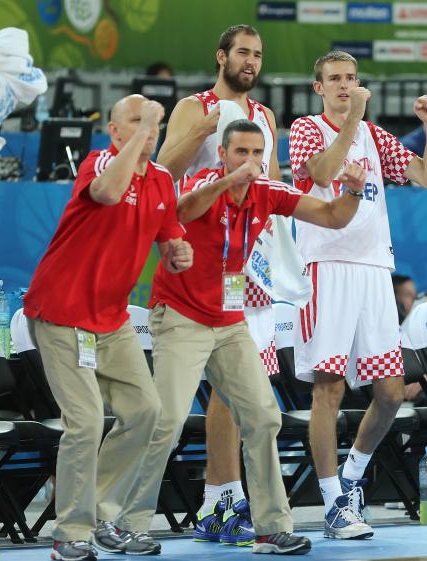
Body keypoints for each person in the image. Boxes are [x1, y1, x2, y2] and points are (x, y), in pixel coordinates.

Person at [118, 119, 368, 555]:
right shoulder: (204, 181)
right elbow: (182, 211)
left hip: (230, 321)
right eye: (241, 152)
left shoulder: (267, 191)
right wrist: (228, 182)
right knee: (167, 421)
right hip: (181, 316)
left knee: (264, 418)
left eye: (257, 153)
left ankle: (271, 529)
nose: (251, 161)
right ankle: (129, 524)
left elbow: (332, 217)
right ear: (223, 154)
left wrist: (353, 191)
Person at [23, 95, 193, 561]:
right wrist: (141, 135)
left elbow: (171, 242)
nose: (150, 128)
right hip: (61, 312)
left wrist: (179, 253)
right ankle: (70, 534)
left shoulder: (162, 181)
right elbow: (108, 194)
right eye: (137, 121)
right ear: (114, 132)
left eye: (153, 122)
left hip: (112, 319)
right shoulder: (100, 162)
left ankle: (101, 515)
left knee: (146, 411)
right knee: (85, 422)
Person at [289, 50, 427, 539]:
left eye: (351, 78)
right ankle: (331, 503)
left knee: (391, 392)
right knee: (329, 388)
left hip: (375, 268)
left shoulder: (375, 136)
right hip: (326, 266)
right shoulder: (306, 128)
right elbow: (320, 174)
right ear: (318, 87)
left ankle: (351, 478)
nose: (344, 85)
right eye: (335, 78)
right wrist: (353, 117)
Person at [155, 24, 282, 542]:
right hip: (201, 262)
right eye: (242, 52)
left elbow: (273, 185)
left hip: (251, 264)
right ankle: (219, 500)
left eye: (258, 54)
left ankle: (227, 502)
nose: (250, 61)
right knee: (220, 391)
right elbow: (162, 173)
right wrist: (201, 132)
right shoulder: (195, 107)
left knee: (244, 390)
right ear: (221, 56)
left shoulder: (265, 116)